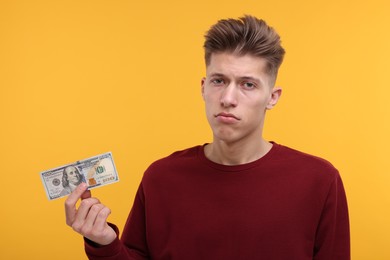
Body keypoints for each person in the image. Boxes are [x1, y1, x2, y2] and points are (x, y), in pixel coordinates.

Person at [65, 15, 350, 259]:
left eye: (248, 84)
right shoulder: (160, 177)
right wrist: (103, 242)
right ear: (203, 87)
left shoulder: (319, 180)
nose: (227, 98)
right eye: (218, 81)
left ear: (272, 97)